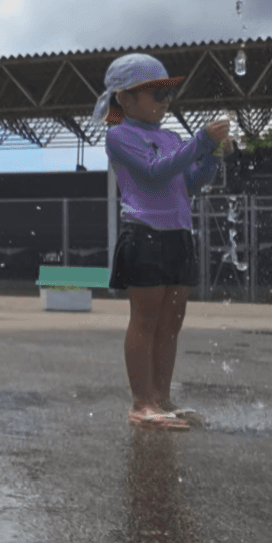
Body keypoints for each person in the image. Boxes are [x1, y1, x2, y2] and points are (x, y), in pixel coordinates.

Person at [96, 53, 233, 430]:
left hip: (177, 234)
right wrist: (202, 140)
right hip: (144, 233)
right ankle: (142, 403)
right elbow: (155, 174)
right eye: (155, 94)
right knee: (145, 320)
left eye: (166, 95)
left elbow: (187, 182)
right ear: (125, 99)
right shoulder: (119, 135)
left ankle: (162, 398)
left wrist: (212, 157)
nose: (164, 102)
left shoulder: (170, 136)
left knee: (171, 322)